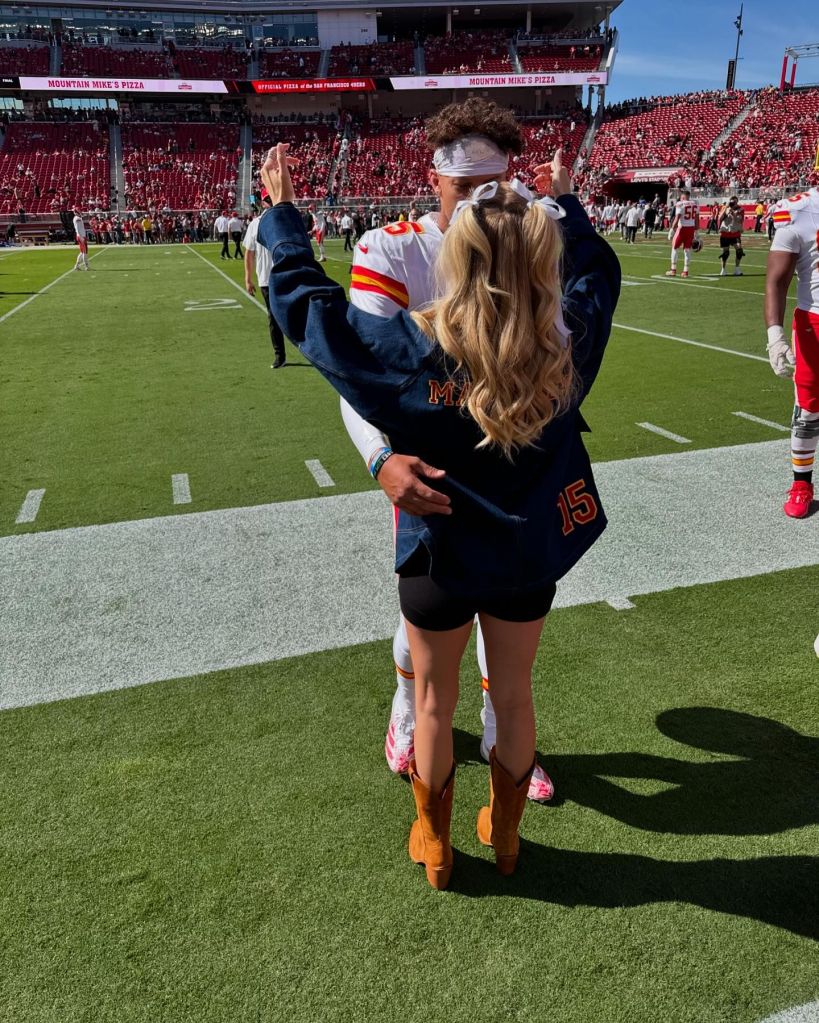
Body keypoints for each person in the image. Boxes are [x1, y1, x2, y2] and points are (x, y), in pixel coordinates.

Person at [259, 143, 619, 889]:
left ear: (455, 254)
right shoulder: (568, 341)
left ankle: (435, 842)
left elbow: (306, 310)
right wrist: (567, 201)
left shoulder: (409, 351)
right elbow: (599, 273)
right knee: (513, 694)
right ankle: (508, 834)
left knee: (431, 703)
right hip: (527, 554)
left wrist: (284, 216)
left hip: (437, 550)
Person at [345, 99, 557, 802]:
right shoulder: (391, 247)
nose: (473, 202)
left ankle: (503, 736)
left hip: (511, 459)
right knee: (424, 613)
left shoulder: (528, 233)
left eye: (486, 186)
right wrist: (381, 459)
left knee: (512, 622)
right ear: (433, 179)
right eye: (460, 188)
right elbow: (359, 375)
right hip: (429, 458)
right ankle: (406, 710)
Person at [764, 188, 819, 519]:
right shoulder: (798, 209)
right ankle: (802, 484)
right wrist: (775, 333)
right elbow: (776, 280)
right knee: (808, 408)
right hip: (815, 321)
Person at [243, 189, 287, 369]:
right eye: (267, 199)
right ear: (262, 202)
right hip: (267, 278)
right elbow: (249, 253)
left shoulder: (283, 219)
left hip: (285, 274)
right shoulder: (256, 224)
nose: (269, 202)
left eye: (272, 198)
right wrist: (248, 278)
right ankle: (280, 355)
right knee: (274, 318)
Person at [665, 189, 699, 278]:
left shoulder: (680, 204)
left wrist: (672, 230)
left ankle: (673, 270)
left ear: (683, 196)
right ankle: (685, 272)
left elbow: (677, 218)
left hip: (682, 228)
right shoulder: (695, 204)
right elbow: (696, 219)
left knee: (674, 248)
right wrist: (696, 231)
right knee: (687, 250)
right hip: (691, 229)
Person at [718, 196, 745, 277]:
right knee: (725, 253)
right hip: (725, 233)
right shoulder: (725, 208)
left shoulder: (741, 210)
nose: (733, 204)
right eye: (732, 202)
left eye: (735, 202)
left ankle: (737, 269)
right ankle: (723, 270)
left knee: (739, 250)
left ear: (737, 202)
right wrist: (726, 208)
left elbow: (740, 220)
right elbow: (720, 218)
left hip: (735, 233)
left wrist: (733, 213)